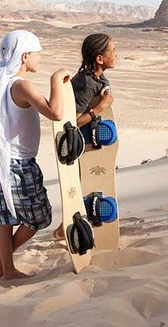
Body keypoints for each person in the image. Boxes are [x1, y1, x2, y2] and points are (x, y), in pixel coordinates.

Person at [0, 30, 69, 280]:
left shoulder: (2, 82)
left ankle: (6, 267)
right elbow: (55, 112)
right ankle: (3, 259)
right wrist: (56, 80)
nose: (40, 58)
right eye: (38, 53)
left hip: (0, 155)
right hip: (17, 160)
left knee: (5, 216)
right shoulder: (21, 85)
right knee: (39, 216)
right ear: (25, 55)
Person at [52, 33, 117, 239]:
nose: (116, 55)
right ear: (99, 58)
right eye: (113, 51)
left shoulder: (97, 78)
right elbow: (71, 122)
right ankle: (63, 230)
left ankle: (64, 229)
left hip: (92, 147)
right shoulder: (85, 83)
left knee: (87, 187)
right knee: (79, 188)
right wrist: (100, 108)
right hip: (79, 147)